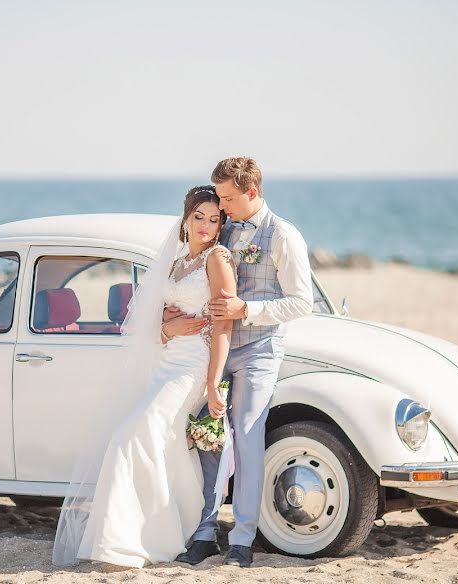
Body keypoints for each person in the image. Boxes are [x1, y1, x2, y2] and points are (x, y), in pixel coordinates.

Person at [51, 185, 238, 568]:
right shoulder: (178, 262)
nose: (205, 225)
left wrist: (213, 382)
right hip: (165, 363)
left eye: (213, 219)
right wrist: (169, 330)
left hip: (192, 369)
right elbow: (156, 319)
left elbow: (223, 326)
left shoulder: (218, 259)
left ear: (221, 225)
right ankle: (133, 537)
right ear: (186, 219)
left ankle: (139, 538)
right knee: (152, 442)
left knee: (131, 436)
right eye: (198, 217)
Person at [166, 157, 313, 568]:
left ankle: (243, 539)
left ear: (251, 192)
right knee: (208, 436)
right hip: (211, 348)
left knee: (247, 437)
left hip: (258, 351)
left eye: (228, 197)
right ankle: (205, 531)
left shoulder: (283, 235)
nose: (222, 206)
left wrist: (245, 308)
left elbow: (302, 302)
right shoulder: (221, 224)